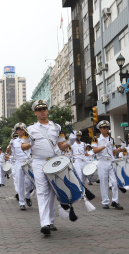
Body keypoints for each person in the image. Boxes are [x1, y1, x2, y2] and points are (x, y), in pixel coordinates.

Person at [21, 100, 75, 236]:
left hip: (54, 161)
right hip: (39, 162)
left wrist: (70, 142)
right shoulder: (30, 129)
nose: (42, 111)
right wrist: (31, 144)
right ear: (35, 112)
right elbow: (23, 146)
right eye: (39, 110)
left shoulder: (56, 127)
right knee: (42, 191)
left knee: (52, 191)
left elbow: (61, 145)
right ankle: (44, 223)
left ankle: (50, 221)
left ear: (47, 110)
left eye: (44, 108)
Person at [92, 120, 125, 210]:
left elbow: (113, 152)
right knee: (104, 182)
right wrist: (104, 146)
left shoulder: (111, 139)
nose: (106, 129)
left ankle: (115, 201)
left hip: (111, 161)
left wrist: (121, 148)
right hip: (102, 161)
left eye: (107, 127)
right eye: (103, 128)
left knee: (114, 182)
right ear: (100, 129)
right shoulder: (96, 139)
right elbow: (94, 150)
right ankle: (105, 202)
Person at [10, 123, 33, 210]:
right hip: (18, 162)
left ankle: (27, 196)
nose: (21, 131)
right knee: (20, 183)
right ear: (16, 131)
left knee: (30, 182)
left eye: (22, 129)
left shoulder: (29, 140)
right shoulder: (13, 141)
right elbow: (12, 153)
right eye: (19, 130)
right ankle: (22, 202)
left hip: (28, 162)